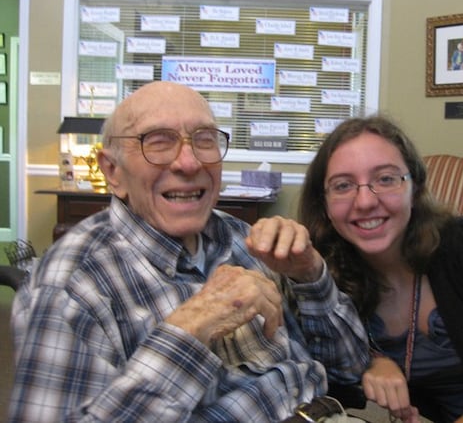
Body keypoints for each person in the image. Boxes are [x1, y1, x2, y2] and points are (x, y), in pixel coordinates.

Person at [9, 81, 369, 422]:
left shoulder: (243, 239)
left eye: (204, 139)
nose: (190, 162)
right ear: (113, 172)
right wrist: (190, 329)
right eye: (159, 142)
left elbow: (349, 367)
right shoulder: (70, 286)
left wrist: (309, 274)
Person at [298, 115, 463, 422]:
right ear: (324, 204)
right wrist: (373, 361)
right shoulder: (319, 278)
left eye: (386, 179)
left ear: (415, 188)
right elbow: (329, 377)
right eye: (343, 185)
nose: (365, 201)